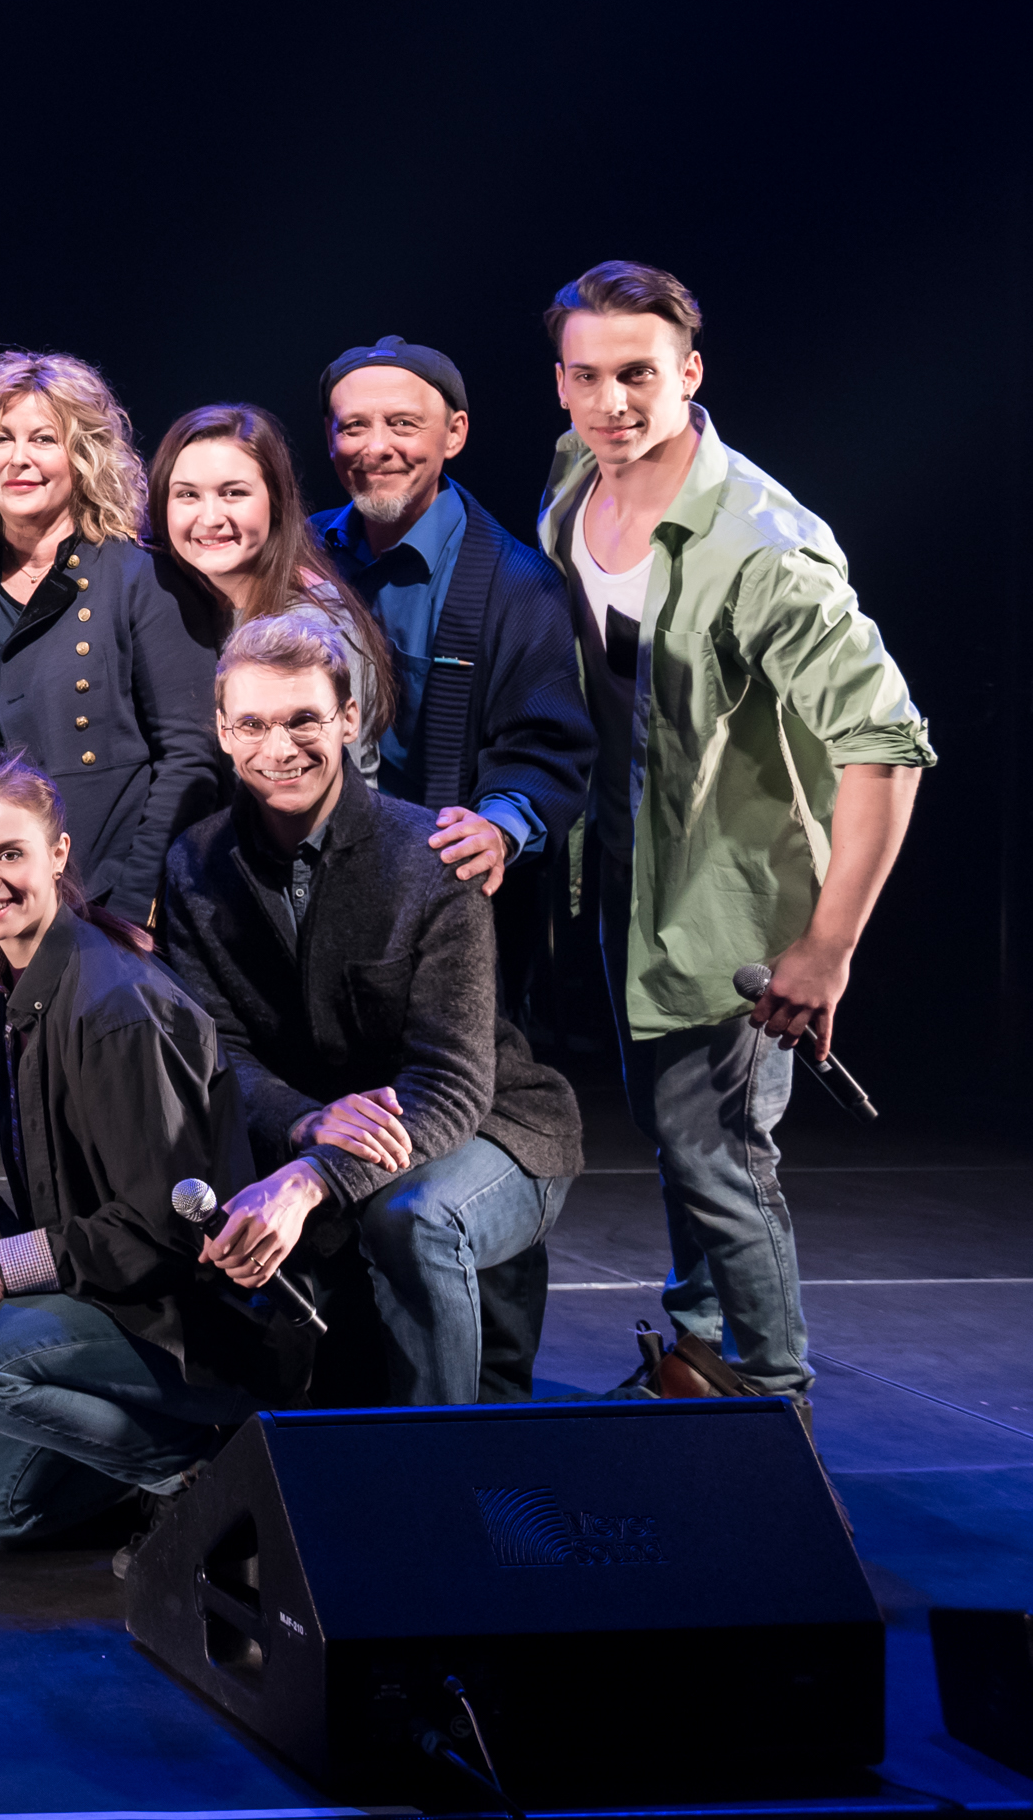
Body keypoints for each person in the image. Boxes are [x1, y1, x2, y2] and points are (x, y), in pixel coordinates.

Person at [538, 261, 929, 1400]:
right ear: (560, 384)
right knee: (681, 1142)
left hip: (736, 902)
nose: (613, 403)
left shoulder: (762, 544)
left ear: (690, 375)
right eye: (589, 377)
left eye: (639, 376)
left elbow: (887, 742)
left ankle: (772, 1402)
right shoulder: (578, 479)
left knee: (720, 1158)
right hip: (631, 873)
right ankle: (702, 1352)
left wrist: (827, 946)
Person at [153, 612, 585, 1405]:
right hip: (331, 1126)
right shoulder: (194, 864)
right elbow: (217, 1052)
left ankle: (439, 1478)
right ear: (221, 729)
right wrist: (305, 1121)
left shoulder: (431, 858)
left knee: (410, 1218)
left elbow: (453, 1084)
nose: (278, 749)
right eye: (251, 723)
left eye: (303, 720)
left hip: (494, 1126)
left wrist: (315, 1174)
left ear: (349, 719)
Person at [0, 752, 293, 1555]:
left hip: (182, 1323)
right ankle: (159, 1454)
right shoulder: (6, 977)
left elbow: (161, 1227)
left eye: (7, 853)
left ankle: (200, 1480)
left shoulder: (114, 1005)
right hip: (108, 1299)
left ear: (57, 853)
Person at [311, 335, 593, 1015]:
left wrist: (496, 827)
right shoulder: (301, 555)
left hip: (444, 904)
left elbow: (546, 746)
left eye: (403, 423)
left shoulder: (519, 584)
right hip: (313, 896)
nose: (377, 446)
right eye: (354, 425)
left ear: (455, 433)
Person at [0, 353, 220, 933]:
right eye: (0, 440)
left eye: (43, 438)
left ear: (83, 456)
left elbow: (191, 757)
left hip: (110, 900)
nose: (19, 458)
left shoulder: (138, 576)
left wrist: (132, 903)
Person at [146, 405, 395, 776]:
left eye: (233, 493)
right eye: (187, 495)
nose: (210, 517)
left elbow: (340, 793)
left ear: (275, 502)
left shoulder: (313, 624)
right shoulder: (171, 603)